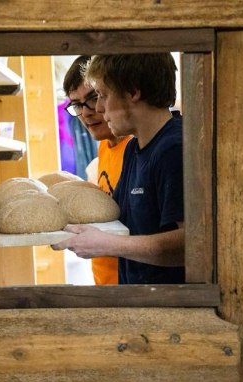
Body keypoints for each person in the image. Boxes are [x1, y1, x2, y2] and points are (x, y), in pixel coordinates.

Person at [53, 53, 185, 284]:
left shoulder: (175, 149)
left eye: (102, 95)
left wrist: (107, 244)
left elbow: (193, 245)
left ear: (133, 92)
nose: (100, 108)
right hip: (137, 302)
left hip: (169, 310)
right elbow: (120, 217)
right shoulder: (135, 147)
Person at [62, 55, 131, 285]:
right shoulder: (104, 146)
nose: (87, 112)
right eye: (77, 105)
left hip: (135, 291)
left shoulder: (135, 146)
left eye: (93, 98)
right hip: (106, 286)